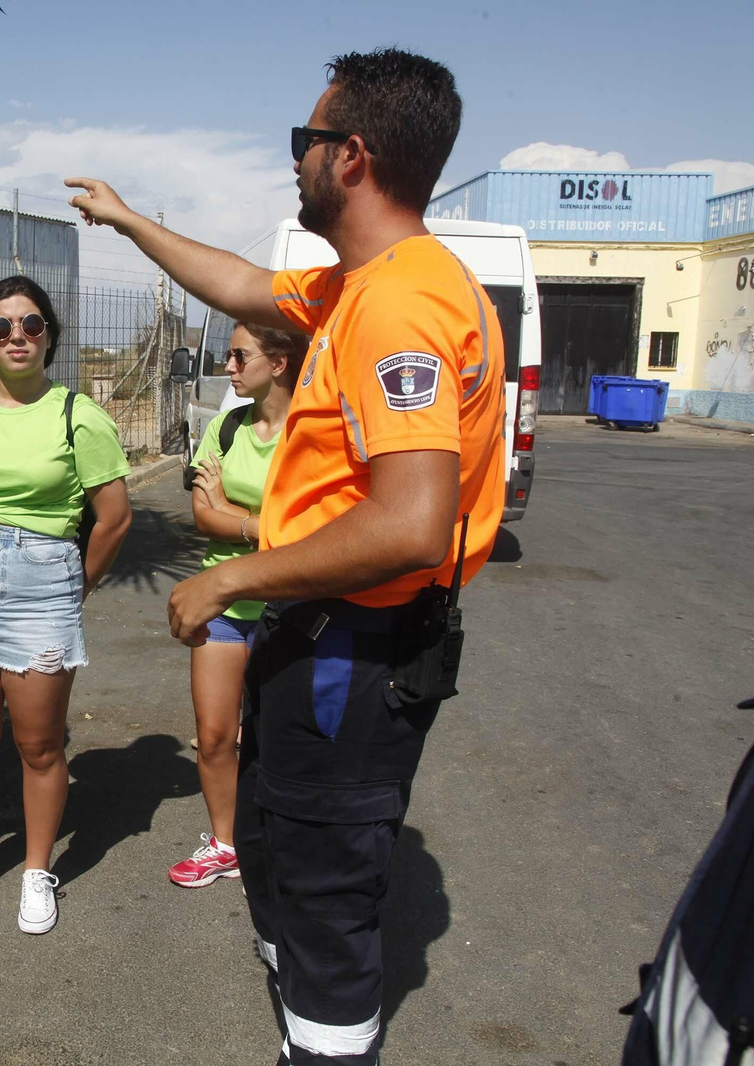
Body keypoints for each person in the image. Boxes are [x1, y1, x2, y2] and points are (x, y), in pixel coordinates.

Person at [69, 47, 506, 1066]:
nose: (295, 161)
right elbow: (242, 281)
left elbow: (408, 521)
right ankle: (303, 1003)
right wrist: (132, 222)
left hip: (352, 650)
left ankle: (322, 1044)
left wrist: (230, 574)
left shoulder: (399, 303)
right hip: (318, 634)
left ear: (349, 155)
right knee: (284, 847)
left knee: (325, 890)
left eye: (303, 142)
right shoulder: (363, 286)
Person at [0, 275, 132, 936]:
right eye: (2, 326)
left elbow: (115, 518)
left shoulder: (77, 415)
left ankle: (38, 868)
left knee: (39, 744)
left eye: (31, 324)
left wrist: (73, 590)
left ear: (49, 336)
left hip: (43, 589)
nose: (18, 336)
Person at [169, 323, 306, 889]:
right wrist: (256, 524)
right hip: (222, 603)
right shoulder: (227, 427)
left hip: (293, 608)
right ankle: (226, 843)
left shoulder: (311, 434)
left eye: (237, 355)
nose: (227, 366)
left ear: (277, 362)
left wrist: (235, 513)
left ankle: (281, 842)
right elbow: (203, 514)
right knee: (217, 733)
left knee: (281, 736)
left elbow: (310, 532)